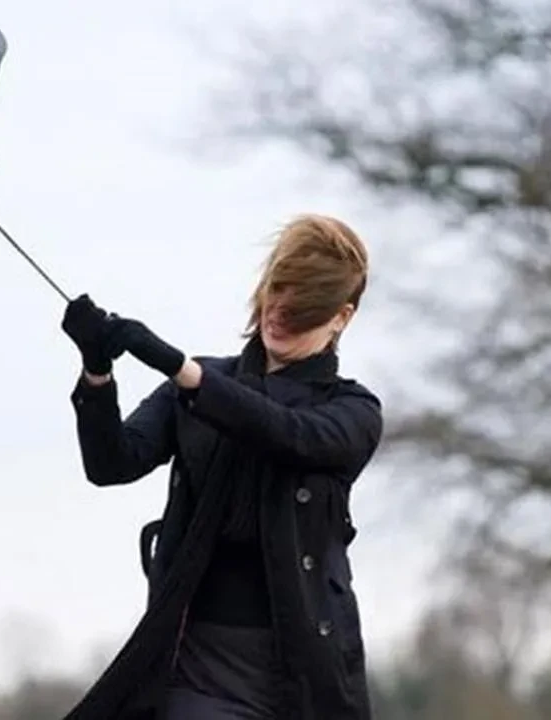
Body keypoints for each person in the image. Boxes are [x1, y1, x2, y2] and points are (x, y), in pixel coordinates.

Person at [60, 214, 383, 720]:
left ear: (340, 317)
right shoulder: (200, 383)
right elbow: (112, 463)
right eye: (277, 293)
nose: (279, 314)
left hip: (303, 672)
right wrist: (97, 372)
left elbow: (287, 434)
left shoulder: (352, 412)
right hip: (197, 660)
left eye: (302, 310)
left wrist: (182, 371)